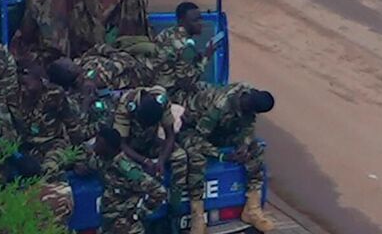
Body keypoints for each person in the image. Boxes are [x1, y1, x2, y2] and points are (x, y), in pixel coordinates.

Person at [179, 83, 279, 232]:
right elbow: (198, 138)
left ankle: (252, 209)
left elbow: (248, 128)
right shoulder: (220, 106)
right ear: (248, 104)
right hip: (193, 130)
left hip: (220, 132)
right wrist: (222, 156)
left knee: (256, 148)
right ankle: (197, 218)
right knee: (196, 157)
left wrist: (244, 146)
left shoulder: (250, 99)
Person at [97, 85, 205, 216]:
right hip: (130, 147)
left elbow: (170, 135)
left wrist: (161, 160)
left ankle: (175, 209)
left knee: (180, 156)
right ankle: (138, 212)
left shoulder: (161, 99)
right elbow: (121, 143)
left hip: (150, 142)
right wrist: (145, 161)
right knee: (124, 167)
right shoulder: (126, 104)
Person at [92, 126, 167, 234]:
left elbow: (159, 191)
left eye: (97, 141)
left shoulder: (126, 169)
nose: (95, 144)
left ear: (104, 143)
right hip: (109, 225)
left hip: (128, 228)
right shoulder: (103, 160)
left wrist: (137, 214)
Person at [155, 2, 221, 101]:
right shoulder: (186, 46)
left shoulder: (167, 33)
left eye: (200, 19)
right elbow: (186, 83)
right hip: (171, 94)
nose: (200, 23)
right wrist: (206, 57)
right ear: (182, 22)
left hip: (156, 87)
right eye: (195, 20)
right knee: (215, 95)